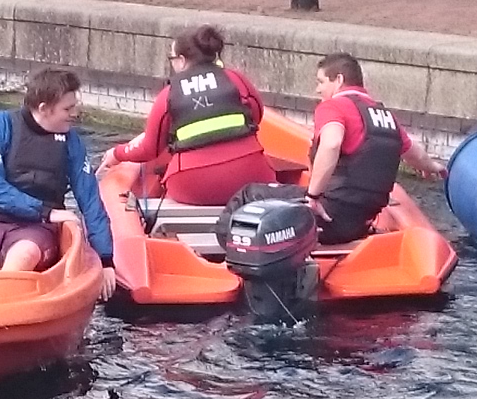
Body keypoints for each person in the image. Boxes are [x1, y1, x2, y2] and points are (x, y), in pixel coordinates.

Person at [0, 64, 114, 273]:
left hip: (34, 230)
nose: (76, 113)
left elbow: (90, 200)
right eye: (67, 109)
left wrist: (106, 260)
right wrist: (45, 211)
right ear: (43, 108)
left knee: (23, 255)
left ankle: (2, 301)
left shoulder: (72, 143)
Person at [112, 24, 275, 204]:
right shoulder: (236, 79)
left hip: (193, 185)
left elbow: (149, 149)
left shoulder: (168, 94)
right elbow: (257, 116)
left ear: (181, 60)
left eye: (171, 58)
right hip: (249, 176)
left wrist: (117, 153)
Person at [300, 53, 409, 244]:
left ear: (339, 80)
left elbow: (332, 143)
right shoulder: (385, 115)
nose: (318, 89)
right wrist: (435, 168)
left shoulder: (333, 107)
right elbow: (414, 153)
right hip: (360, 220)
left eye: (321, 81)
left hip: (328, 216)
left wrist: (312, 196)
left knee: (250, 194)